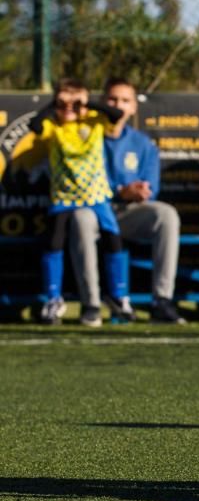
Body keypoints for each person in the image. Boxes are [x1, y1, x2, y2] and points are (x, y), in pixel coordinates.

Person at [69, 77, 185, 326]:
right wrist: (120, 191)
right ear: (101, 103)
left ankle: (162, 301)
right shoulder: (85, 135)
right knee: (81, 218)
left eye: (125, 100)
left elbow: (151, 188)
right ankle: (91, 304)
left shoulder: (142, 143)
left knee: (166, 215)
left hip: (130, 213)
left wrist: (140, 192)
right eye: (112, 99)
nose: (118, 105)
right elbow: (80, 181)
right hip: (97, 210)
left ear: (134, 107)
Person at [28, 78, 131, 326]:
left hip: (96, 195)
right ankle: (53, 299)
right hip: (64, 197)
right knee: (54, 243)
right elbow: (34, 125)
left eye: (75, 104)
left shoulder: (94, 122)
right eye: (64, 104)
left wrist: (88, 104)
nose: (70, 110)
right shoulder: (55, 127)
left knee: (113, 240)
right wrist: (56, 104)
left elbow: (117, 114)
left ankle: (118, 296)